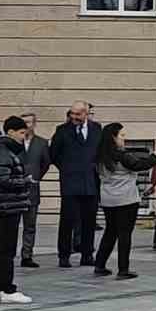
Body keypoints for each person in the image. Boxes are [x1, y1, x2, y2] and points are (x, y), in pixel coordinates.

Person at [93, 124, 156, 279]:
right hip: (126, 199)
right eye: (121, 135)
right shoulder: (122, 156)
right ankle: (123, 269)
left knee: (110, 231)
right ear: (113, 138)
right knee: (124, 234)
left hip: (108, 199)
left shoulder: (100, 155)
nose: (124, 138)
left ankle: (100, 265)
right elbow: (140, 165)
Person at [0, 117, 34, 303]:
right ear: (11, 132)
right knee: (6, 247)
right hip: (8, 204)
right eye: (22, 133)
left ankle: (0, 286)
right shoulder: (3, 152)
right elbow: (2, 179)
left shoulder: (6, 150)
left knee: (4, 246)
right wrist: (25, 181)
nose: (23, 137)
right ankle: (7, 288)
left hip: (9, 203)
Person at [50, 102, 102, 267]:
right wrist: (67, 168)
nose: (74, 117)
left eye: (78, 114)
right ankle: (64, 255)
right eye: (72, 113)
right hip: (70, 182)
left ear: (86, 114)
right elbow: (54, 154)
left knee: (89, 220)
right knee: (67, 220)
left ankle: (87, 254)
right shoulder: (62, 130)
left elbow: (100, 151)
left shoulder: (97, 129)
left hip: (91, 182)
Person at [18, 113, 51, 268]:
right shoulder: (13, 141)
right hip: (14, 188)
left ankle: (27, 255)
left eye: (29, 122)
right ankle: (8, 252)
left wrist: (37, 176)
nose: (26, 126)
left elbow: (45, 163)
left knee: (30, 224)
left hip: (32, 187)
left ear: (34, 124)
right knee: (10, 224)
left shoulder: (41, 143)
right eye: (23, 122)